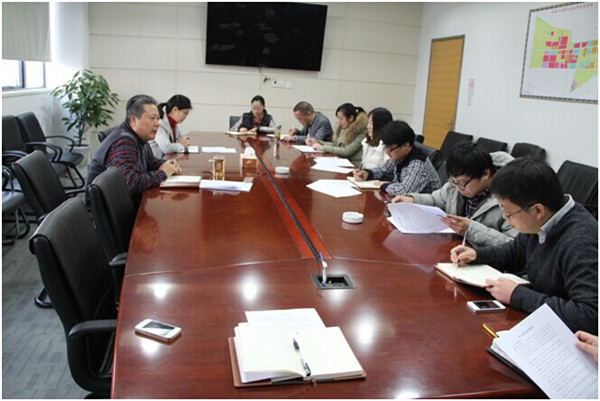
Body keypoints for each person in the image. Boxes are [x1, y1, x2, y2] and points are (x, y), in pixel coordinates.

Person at [450, 157, 598, 334]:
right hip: (538, 321)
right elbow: (515, 252)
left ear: (538, 210)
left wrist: (517, 295)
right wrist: (477, 255)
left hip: (565, 337)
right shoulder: (544, 220)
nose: (504, 218)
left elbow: (589, 316)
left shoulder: (581, 241)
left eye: (508, 213)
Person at [392, 142, 518, 246]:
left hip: (486, 261)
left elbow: (515, 246)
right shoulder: (455, 185)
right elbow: (436, 199)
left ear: (485, 174)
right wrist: (413, 199)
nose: (458, 189)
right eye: (454, 182)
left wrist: (470, 229)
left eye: (462, 183)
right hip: (455, 248)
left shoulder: (511, 199)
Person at [87, 94, 181, 206]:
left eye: (158, 118)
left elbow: (150, 162)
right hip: (113, 211)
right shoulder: (123, 143)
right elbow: (131, 184)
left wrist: (167, 164)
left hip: (127, 204)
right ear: (134, 120)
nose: (157, 123)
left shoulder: (140, 136)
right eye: (152, 118)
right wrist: (163, 173)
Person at [352, 120, 440, 196]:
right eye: (385, 147)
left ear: (406, 145)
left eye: (390, 149)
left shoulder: (418, 163)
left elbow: (405, 191)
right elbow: (383, 170)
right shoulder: (399, 155)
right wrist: (368, 174)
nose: (387, 152)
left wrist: (383, 185)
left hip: (425, 207)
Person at [305, 103, 367, 167]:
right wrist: (318, 142)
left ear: (351, 118)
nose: (339, 122)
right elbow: (336, 144)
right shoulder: (344, 128)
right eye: (338, 119)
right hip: (342, 161)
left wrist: (323, 148)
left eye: (341, 119)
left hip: (354, 165)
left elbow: (347, 151)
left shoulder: (361, 131)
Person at [149, 94, 192, 158]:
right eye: (185, 113)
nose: (185, 117)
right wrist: (181, 145)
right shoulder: (159, 123)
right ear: (175, 109)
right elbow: (167, 148)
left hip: (168, 159)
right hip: (157, 161)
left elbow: (180, 138)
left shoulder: (173, 123)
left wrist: (183, 140)